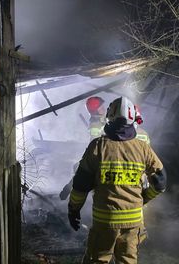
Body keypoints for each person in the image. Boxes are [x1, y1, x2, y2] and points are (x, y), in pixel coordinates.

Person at [67, 96, 166, 264]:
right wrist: (143, 198)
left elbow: (80, 185)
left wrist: (73, 209)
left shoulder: (98, 146)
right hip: (133, 221)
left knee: (97, 259)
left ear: (109, 117)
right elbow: (161, 182)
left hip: (105, 220)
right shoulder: (143, 148)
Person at [59, 96, 107, 200]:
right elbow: (94, 142)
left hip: (102, 152)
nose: (103, 108)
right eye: (100, 107)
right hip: (99, 154)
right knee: (82, 171)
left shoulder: (103, 119)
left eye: (103, 105)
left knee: (81, 170)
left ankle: (68, 189)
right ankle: (68, 189)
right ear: (95, 111)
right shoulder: (95, 124)